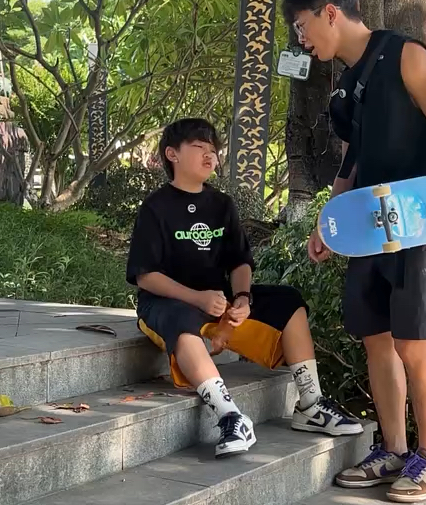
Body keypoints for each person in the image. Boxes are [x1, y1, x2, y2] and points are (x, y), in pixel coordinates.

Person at [282, 0, 426, 503]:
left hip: (423, 225)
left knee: (414, 344)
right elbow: (353, 161)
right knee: (377, 340)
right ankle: (392, 449)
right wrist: (329, 222)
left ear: (329, 12)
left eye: (301, 26)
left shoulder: (405, 55)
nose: (302, 39)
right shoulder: (347, 84)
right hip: (370, 229)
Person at [125, 117, 363, 460]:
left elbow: (239, 261)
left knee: (288, 301)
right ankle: (230, 416)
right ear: (172, 154)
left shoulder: (222, 205)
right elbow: (145, 276)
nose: (209, 156)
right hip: (167, 302)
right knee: (179, 318)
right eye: (199, 147)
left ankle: (311, 405)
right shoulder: (155, 208)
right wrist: (197, 298)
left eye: (213, 150)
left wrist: (242, 298)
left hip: (218, 299)